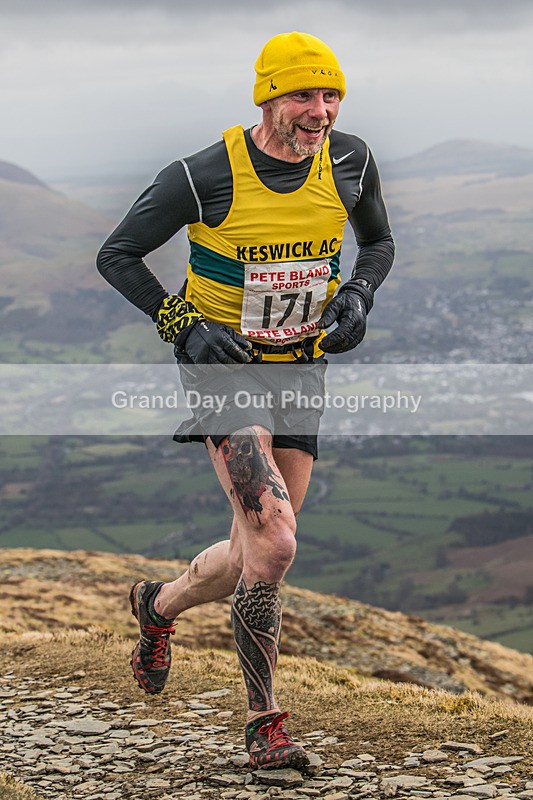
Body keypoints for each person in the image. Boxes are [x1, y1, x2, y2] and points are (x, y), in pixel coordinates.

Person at [97, 31, 394, 770]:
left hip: (300, 368)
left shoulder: (350, 161)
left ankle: (157, 606)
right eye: (303, 95)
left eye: (330, 95)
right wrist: (180, 323)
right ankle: (265, 727)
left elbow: (377, 244)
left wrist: (356, 295)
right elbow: (117, 254)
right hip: (221, 367)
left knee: (251, 553)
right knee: (278, 541)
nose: (320, 111)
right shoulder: (202, 175)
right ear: (266, 97)